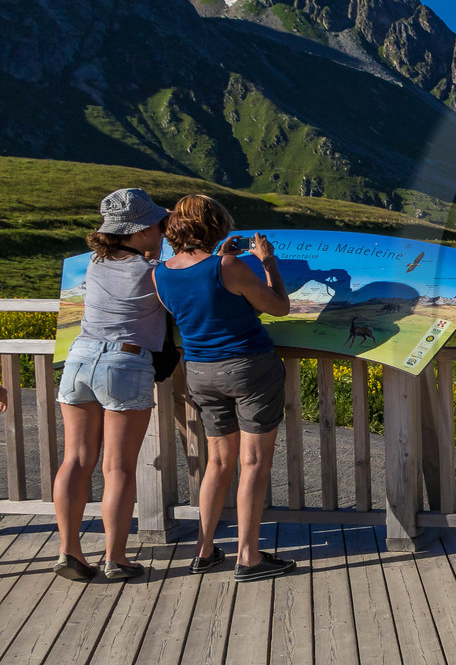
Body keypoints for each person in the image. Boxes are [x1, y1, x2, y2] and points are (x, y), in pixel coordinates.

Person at [153, 195, 295, 582]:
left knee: (217, 462)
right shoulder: (228, 266)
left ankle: (204, 550)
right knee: (253, 463)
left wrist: (218, 258)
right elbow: (279, 306)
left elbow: (198, 298)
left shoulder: (161, 272)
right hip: (249, 367)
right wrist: (267, 262)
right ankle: (248, 558)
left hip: (199, 370)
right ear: (215, 225)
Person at [51, 189, 170, 581]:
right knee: (118, 466)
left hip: (80, 358)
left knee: (76, 460)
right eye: (157, 225)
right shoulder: (154, 272)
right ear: (138, 231)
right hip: (125, 360)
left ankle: (69, 551)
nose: (162, 231)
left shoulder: (94, 264)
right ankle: (115, 558)